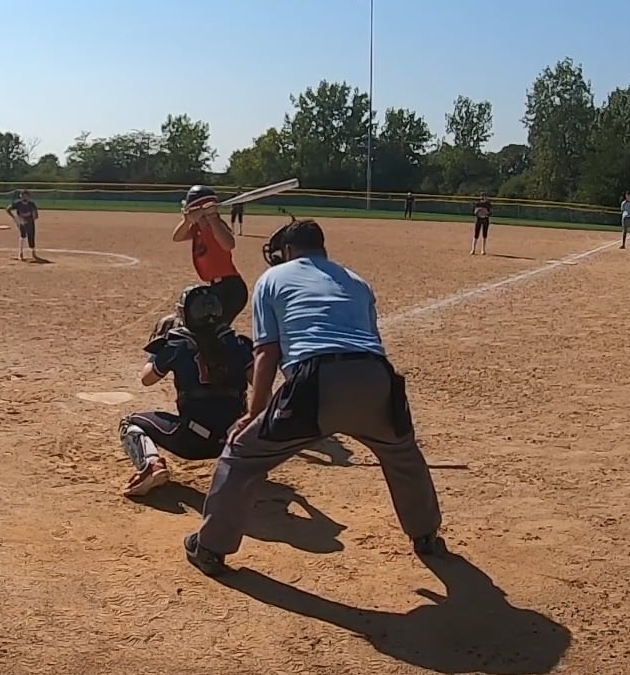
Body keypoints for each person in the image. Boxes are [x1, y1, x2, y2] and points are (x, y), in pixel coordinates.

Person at [184, 219, 442, 577]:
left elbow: (266, 352)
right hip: (376, 377)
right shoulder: (357, 282)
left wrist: (254, 412)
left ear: (289, 250)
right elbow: (371, 341)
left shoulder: (272, 279)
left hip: (315, 382)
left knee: (242, 455)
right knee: (403, 455)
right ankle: (426, 534)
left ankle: (210, 547)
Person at [119, 285, 254, 497]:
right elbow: (261, 385)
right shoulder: (238, 344)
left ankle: (151, 466)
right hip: (234, 440)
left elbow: (147, 379)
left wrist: (159, 349)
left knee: (129, 422)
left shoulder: (178, 345)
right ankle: (248, 462)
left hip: (192, 441)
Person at [172, 185, 247, 322]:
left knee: (214, 327)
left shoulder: (216, 226)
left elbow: (229, 244)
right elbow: (177, 237)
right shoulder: (197, 228)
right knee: (209, 326)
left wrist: (212, 217)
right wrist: (187, 221)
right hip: (215, 287)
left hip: (230, 289)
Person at [7, 190, 39, 262]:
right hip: (21, 223)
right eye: (23, 196)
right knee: (23, 236)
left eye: (26, 196)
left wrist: (29, 220)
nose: (24, 198)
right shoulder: (17, 203)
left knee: (31, 237)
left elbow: (36, 216)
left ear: (28, 197)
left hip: (30, 223)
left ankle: (33, 252)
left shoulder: (31, 204)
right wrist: (15, 218)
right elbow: (8, 209)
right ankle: (20, 253)